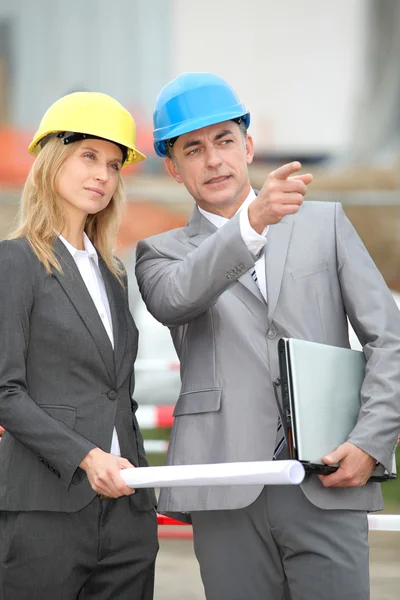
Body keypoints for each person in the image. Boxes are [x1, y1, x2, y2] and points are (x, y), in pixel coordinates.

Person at [135, 72, 400, 600]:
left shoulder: (325, 224)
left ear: (248, 145)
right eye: (193, 148)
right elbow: (176, 299)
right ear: (174, 168)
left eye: (224, 141)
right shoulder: (160, 252)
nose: (213, 159)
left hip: (327, 478)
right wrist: (251, 225)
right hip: (225, 480)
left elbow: (389, 340)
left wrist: (371, 442)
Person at [0, 92, 158, 600]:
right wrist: (88, 457)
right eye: (88, 156)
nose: (103, 176)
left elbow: (118, 394)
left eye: (113, 165)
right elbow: (6, 391)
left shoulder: (114, 273)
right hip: (46, 511)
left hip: (128, 518)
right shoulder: (15, 262)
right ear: (51, 161)